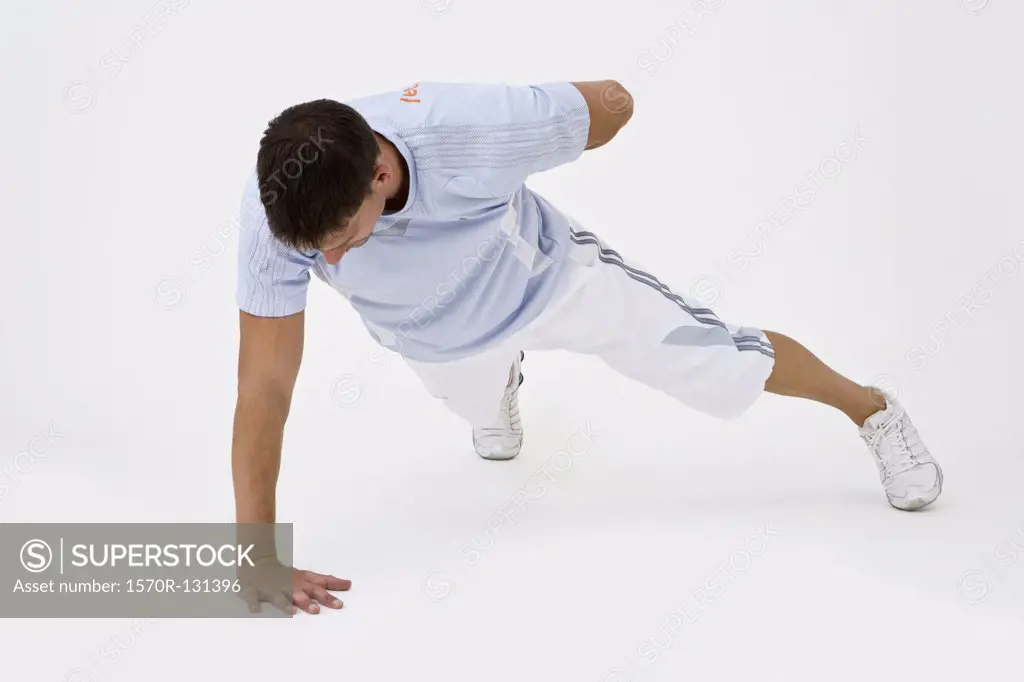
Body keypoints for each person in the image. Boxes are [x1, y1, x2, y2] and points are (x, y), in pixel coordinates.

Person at [232, 80, 942, 615]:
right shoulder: (281, 213)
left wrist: (572, 119)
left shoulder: (468, 131)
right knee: (481, 422)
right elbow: (265, 385)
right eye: (324, 257)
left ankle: (871, 410)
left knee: (718, 357)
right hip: (435, 338)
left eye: (346, 240)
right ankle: (498, 386)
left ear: (381, 176)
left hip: (551, 282)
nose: (340, 263)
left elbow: (613, 101)